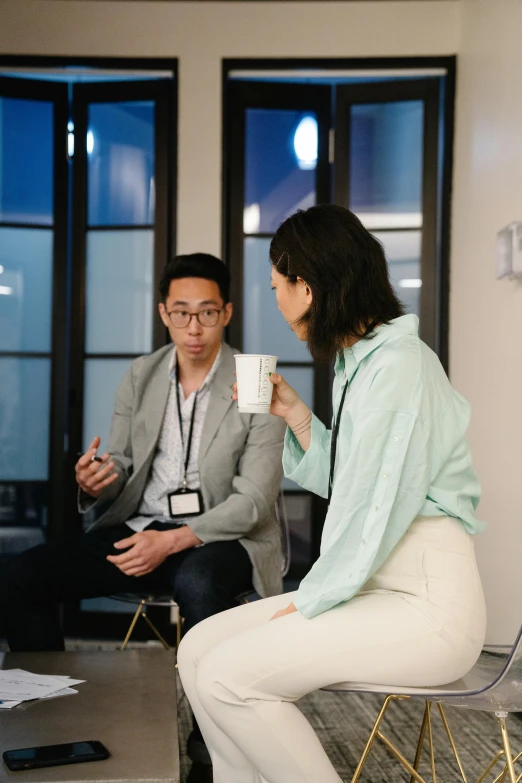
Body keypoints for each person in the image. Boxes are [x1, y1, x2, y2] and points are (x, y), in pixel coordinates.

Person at [177, 205, 487, 783]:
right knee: (197, 650)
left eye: (278, 287)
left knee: (227, 677)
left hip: (427, 607)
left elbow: (372, 510)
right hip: (381, 588)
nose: (275, 301)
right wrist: (296, 414)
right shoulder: (360, 363)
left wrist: (315, 595)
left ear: (309, 286)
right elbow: (353, 478)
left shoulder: (398, 367)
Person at [0, 253, 285, 772]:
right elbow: (125, 462)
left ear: (226, 312)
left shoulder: (255, 378)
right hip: (142, 527)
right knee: (22, 576)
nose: (193, 328)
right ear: (163, 313)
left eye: (206, 313)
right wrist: (95, 481)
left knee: (199, 583)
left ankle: (213, 740)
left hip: (223, 536)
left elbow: (255, 501)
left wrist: (176, 539)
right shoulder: (143, 373)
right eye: (180, 313)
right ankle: (57, 719)